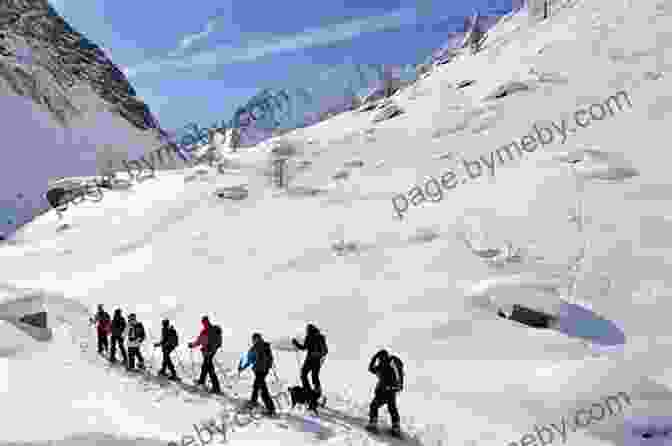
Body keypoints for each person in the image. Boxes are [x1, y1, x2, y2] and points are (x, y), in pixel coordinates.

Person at [366, 349, 403, 436]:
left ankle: (373, 424)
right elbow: (371, 369)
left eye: (379, 358)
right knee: (392, 409)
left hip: (382, 392)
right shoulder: (391, 365)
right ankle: (396, 427)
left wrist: (374, 357)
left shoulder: (381, 366)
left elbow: (370, 368)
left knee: (373, 406)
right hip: (392, 391)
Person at [292, 323, 328, 411]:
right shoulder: (321, 337)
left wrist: (295, 343)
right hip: (317, 360)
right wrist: (320, 356)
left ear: (309, 330)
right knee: (314, 377)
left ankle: (309, 394)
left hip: (310, 359)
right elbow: (325, 350)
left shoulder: (309, 336)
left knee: (303, 375)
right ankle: (317, 394)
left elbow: (304, 347)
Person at [239, 333, 276, 416]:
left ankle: (271, 409)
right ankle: (254, 402)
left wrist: (242, 367)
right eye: (253, 339)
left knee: (263, 389)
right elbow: (270, 358)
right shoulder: (264, 346)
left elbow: (250, 360)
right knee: (257, 386)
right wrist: (268, 366)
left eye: (254, 339)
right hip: (261, 371)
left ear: (258, 338)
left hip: (261, 371)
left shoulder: (259, 347)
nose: (253, 341)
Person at [187, 316, 222, 394]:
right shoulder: (204, 331)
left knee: (209, 368)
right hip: (206, 352)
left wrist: (211, 349)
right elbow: (199, 341)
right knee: (205, 366)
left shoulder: (213, 330)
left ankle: (216, 387)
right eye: (203, 322)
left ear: (207, 321)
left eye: (205, 321)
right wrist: (192, 345)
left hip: (210, 352)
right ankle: (202, 381)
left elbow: (217, 343)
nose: (204, 323)